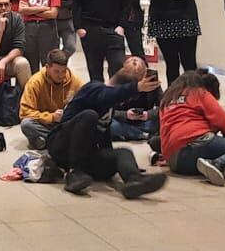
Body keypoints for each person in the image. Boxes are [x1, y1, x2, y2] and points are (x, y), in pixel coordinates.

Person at [47, 61, 167, 198]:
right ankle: (74, 173)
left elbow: (104, 134)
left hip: (86, 155)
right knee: (89, 116)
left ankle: (134, 181)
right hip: (61, 147)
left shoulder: (110, 107)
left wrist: (123, 165)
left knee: (122, 152)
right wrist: (136, 88)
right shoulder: (93, 88)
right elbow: (106, 95)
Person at [159, 72, 225, 183]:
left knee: (214, 149)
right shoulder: (199, 93)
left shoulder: (166, 100)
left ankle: (218, 169)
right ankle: (218, 164)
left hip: (175, 162)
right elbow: (222, 119)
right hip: (195, 142)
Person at [20, 50, 84, 149]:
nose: (61, 75)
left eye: (64, 71)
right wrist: (52, 117)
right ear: (47, 68)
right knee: (26, 124)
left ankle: (46, 140)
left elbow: (86, 103)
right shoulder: (35, 82)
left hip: (65, 123)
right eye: (56, 71)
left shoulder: (74, 81)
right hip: (45, 123)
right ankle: (62, 140)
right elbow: (25, 113)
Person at [17, 0, 61, 71]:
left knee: (48, 63)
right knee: (30, 64)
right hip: (29, 28)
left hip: (47, 28)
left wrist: (31, 10)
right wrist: (43, 8)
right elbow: (21, 9)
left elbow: (53, 14)